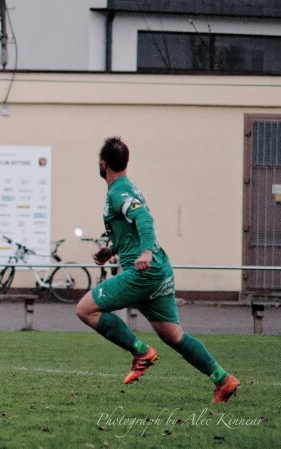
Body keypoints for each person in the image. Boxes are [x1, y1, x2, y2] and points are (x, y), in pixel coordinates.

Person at [75, 137, 239, 403]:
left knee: (85, 309)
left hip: (145, 270)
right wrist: (113, 249)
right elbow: (131, 229)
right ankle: (223, 380)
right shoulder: (126, 188)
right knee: (173, 335)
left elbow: (144, 218)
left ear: (103, 164)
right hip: (157, 270)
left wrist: (146, 252)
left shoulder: (119, 192)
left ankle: (140, 352)